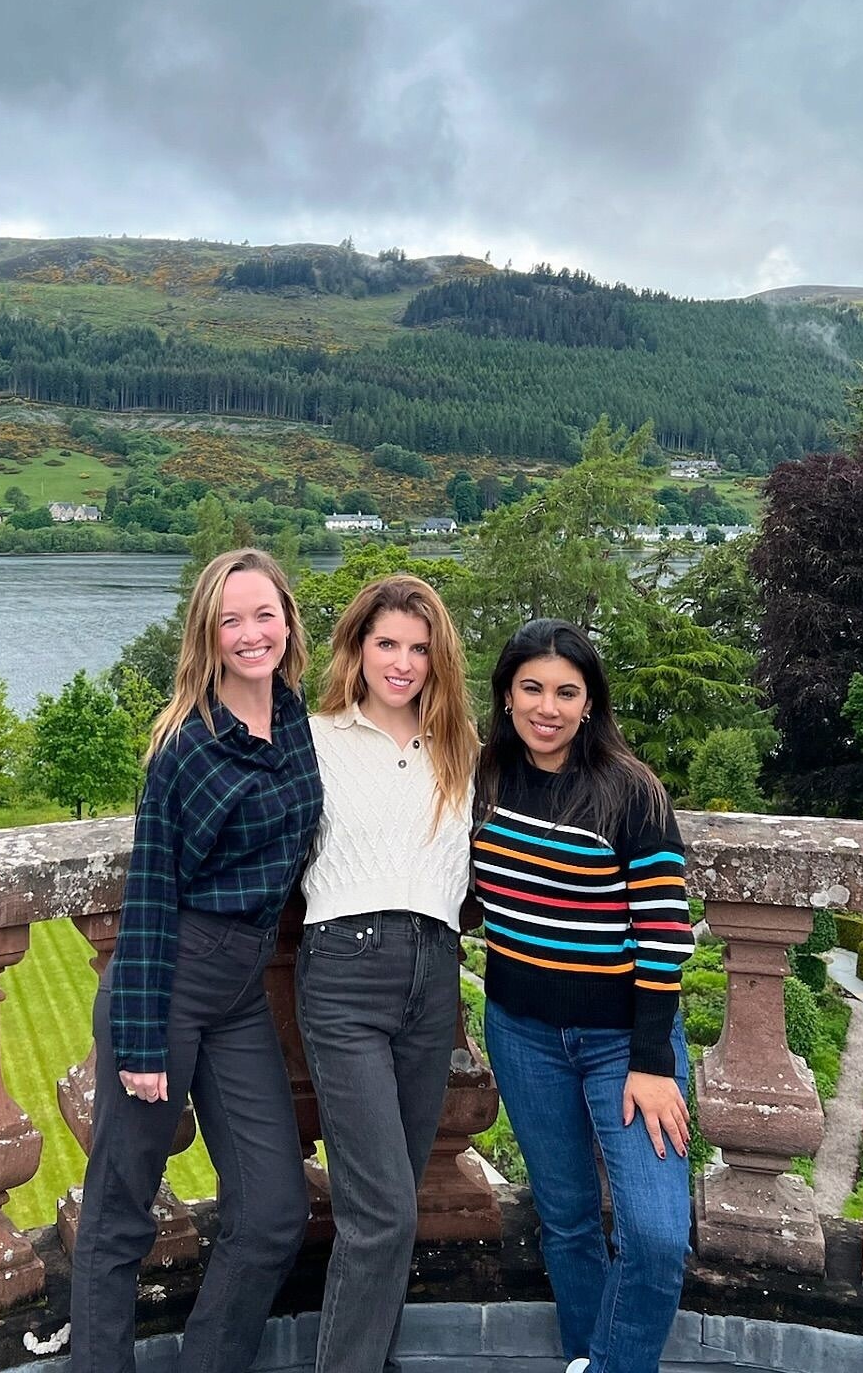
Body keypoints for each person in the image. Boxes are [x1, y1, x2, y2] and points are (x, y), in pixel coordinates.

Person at [69, 548, 322, 1373]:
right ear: (207, 636)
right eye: (230, 620)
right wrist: (141, 1040)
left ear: (287, 622)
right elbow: (149, 897)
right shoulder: (187, 748)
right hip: (169, 985)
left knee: (275, 1209)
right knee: (119, 1213)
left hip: (242, 991)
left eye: (264, 615)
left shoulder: (295, 721)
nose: (251, 634)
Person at [471, 619, 695, 1373]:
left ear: (590, 702)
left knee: (656, 1234)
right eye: (531, 688)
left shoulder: (630, 792)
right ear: (506, 695)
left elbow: (665, 935)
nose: (548, 707)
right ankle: (583, 1355)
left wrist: (652, 1060)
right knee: (566, 1221)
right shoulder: (484, 780)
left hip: (623, 1043)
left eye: (567, 692)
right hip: (521, 1034)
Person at [297, 573, 479, 1373]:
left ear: (440, 659)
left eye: (419, 648)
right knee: (382, 1214)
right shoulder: (314, 739)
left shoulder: (462, 750)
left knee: (397, 1200)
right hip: (345, 972)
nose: (402, 663)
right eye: (387, 644)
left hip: (434, 977)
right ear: (358, 649)